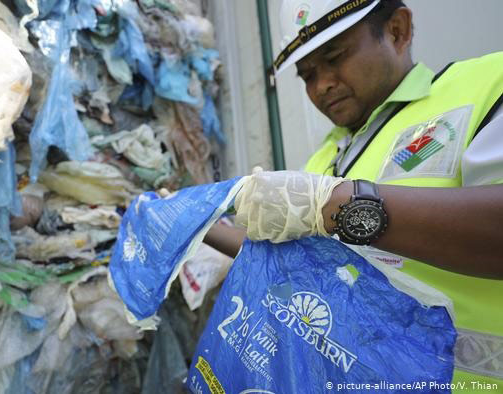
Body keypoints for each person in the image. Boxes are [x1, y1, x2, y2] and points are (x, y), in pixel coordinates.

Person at [203, 0, 503, 390]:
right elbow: (285, 254)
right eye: (307, 75)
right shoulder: (325, 157)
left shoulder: (485, 86)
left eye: (335, 57)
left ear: (397, 30)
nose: (322, 84)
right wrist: (200, 226)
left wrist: (339, 206)